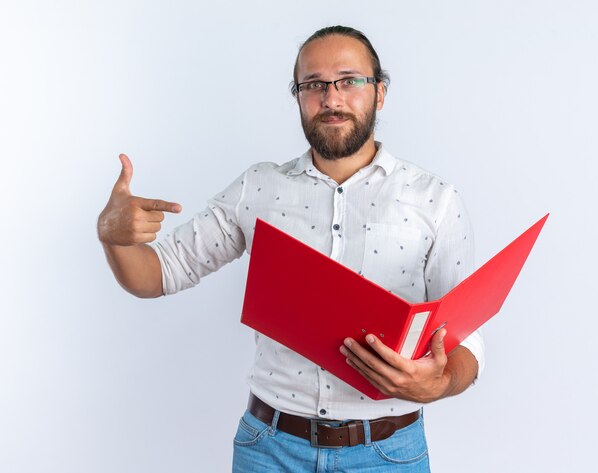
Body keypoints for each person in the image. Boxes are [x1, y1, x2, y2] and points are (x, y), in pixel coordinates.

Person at [97, 25, 484, 472]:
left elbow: (465, 336)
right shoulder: (258, 188)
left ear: (379, 93)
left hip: (389, 452)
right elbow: (155, 275)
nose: (331, 98)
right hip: (270, 449)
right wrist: (112, 236)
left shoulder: (435, 199)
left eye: (349, 80)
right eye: (313, 84)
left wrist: (439, 384)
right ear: (298, 96)